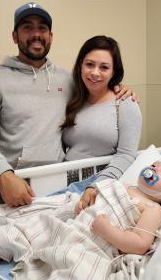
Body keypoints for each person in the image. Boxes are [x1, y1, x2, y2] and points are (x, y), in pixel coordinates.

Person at [0, 2, 136, 208]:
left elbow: (97, 87)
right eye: (27, 27)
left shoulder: (67, 80)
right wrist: (4, 175)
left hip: (61, 179)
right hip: (16, 182)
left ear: (51, 36)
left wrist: (119, 87)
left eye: (42, 28)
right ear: (14, 36)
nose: (36, 34)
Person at [0, 153, 161, 279]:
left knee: (75, 263)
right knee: (37, 223)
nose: (153, 171)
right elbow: (100, 194)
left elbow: (139, 245)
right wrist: (84, 201)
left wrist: (107, 230)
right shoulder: (125, 185)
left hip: (94, 240)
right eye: (154, 165)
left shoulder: (152, 208)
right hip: (77, 220)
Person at [61, 35, 142, 198]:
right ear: (80, 66)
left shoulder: (125, 102)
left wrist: (96, 186)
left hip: (100, 186)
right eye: (89, 64)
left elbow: (126, 155)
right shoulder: (75, 99)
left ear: (114, 72)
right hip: (65, 183)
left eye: (104, 67)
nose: (95, 73)